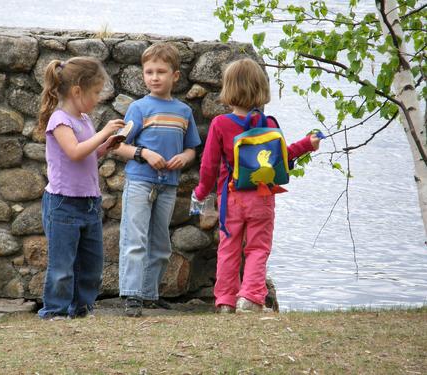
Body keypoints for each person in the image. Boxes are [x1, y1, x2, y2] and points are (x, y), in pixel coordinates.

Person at [192, 58, 321, 314]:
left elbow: (209, 166)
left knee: (228, 248)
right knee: (258, 247)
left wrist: (200, 193)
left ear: (228, 89)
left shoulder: (220, 124)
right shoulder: (269, 124)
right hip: (262, 196)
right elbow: (283, 157)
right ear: (261, 89)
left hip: (231, 199)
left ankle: (226, 301)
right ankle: (250, 297)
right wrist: (308, 143)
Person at [114, 43, 201, 317]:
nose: (154, 77)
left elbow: (191, 148)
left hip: (168, 185)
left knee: (161, 244)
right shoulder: (138, 109)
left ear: (175, 76)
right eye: (149, 71)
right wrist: (144, 153)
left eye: (161, 72)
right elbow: (118, 146)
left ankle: (150, 294)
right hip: (140, 182)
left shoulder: (183, 112)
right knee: (135, 239)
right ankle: (132, 295)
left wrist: (184, 159)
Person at [37, 57, 125, 320]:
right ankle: (55, 311)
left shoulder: (84, 118)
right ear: (77, 91)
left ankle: (82, 308)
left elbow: (87, 153)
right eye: (96, 93)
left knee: (91, 264)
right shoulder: (59, 120)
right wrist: (104, 132)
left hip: (89, 202)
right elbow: (74, 152)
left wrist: (105, 146)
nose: (98, 99)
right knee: (62, 265)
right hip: (63, 203)